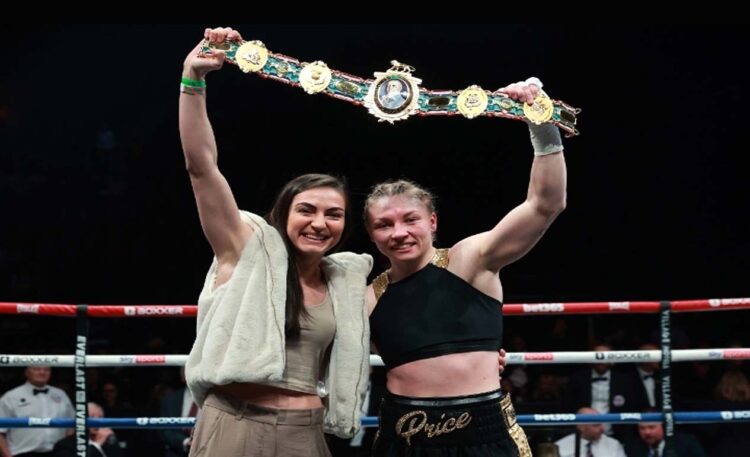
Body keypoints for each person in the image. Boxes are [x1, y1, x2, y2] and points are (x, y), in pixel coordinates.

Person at [180, 27, 372, 457]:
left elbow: (396, 333)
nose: (319, 222)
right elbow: (202, 169)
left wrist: (475, 354)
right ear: (282, 215)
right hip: (233, 422)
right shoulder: (245, 247)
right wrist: (193, 81)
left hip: (306, 431)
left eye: (333, 214)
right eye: (307, 209)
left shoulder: (344, 282)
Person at [365, 77, 566, 456]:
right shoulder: (367, 298)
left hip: (485, 432)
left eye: (411, 219)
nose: (399, 232)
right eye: (384, 224)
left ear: (433, 222)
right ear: (371, 235)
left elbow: (545, 204)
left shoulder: (469, 260)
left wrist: (541, 120)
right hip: (405, 436)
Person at [0, 366, 74, 457]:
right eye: (36, 369)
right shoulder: (10, 397)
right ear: (26, 373)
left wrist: (66, 449)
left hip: (58, 453)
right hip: (23, 453)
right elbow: (0, 432)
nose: (42, 372)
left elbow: (71, 425)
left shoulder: (61, 394)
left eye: (46, 370)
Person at [52, 402, 124, 457]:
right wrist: (97, 444)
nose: (97, 422)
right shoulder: (65, 445)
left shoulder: (109, 441)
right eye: (92, 417)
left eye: (100, 417)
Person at [554, 407, 626, 457]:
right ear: (581, 427)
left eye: (601, 423)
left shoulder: (613, 445)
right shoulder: (560, 446)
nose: (602, 429)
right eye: (596, 425)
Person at [624, 420, 707, 457]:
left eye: (651, 427)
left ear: (663, 426)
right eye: (642, 428)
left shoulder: (686, 443)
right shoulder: (633, 448)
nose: (647, 432)